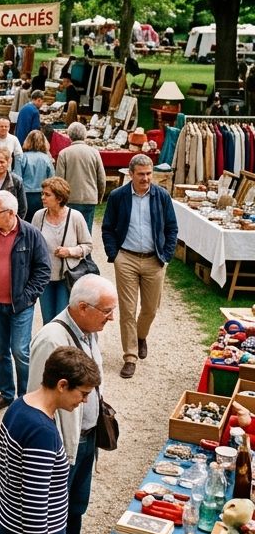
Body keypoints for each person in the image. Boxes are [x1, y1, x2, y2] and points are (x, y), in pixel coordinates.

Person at [0, 346, 100, 534]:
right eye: (82, 393)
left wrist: (11, 501)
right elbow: (35, 503)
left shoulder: (20, 405)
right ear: (62, 385)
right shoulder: (42, 432)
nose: (84, 401)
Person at [28, 275, 118, 534]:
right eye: (107, 311)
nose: (112, 317)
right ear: (82, 307)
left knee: (75, 508)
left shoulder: (90, 328)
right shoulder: (52, 340)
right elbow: (36, 398)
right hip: (63, 445)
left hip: (86, 438)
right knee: (52, 514)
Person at [0, 189, 50, 412]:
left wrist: (27, 297)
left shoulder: (31, 234)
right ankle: (6, 394)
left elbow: (43, 270)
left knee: (20, 350)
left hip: (20, 306)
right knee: (0, 351)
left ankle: (25, 397)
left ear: (11, 213)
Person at [101, 153, 177, 379]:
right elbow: (107, 228)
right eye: (141, 174)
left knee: (151, 309)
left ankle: (141, 335)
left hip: (155, 259)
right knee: (127, 309)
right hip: (127, 258)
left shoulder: (161, 196)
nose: (145, 178)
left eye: (149, 174)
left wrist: (166, 255)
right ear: (131, 174)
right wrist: (114, 255)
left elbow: (172, 228)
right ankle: (130, 356)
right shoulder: (118, 196)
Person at [31, 177, 94, 324]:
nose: (42, 197)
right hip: (44, 277)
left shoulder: (75, 217)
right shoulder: (38, 216)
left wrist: (70, 251)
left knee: (63, 319)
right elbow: (32, 242)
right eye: (43, 194)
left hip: (66, 277)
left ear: (59, 198)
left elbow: (88, 245)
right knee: (48, 320)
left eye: (47, 195)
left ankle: (65, 346)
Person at [54, 121, 106, 229]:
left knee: (70, 231)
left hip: (71, 199)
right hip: (89, 198)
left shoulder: (64, 153)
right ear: (85, 135)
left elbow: (59, 180)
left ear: (69, 135)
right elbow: (101, 178)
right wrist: (99, 197)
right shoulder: (94, 152)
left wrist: (59, 200)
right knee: (86, 232)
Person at [19, 129, 55, 220]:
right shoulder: (46, 158)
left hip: (25, 194)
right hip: (41, 195)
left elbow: (17, 177)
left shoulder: (22, 157)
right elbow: (52, 179)